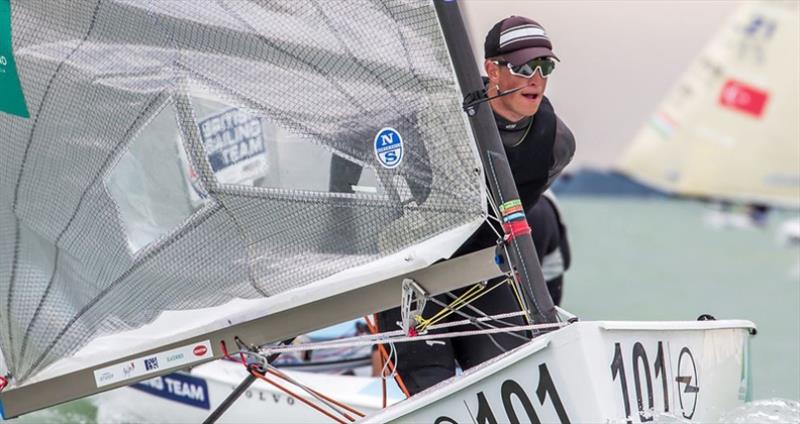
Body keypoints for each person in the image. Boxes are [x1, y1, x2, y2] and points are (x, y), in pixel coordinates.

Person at [374, 16, 575, 395]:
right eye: (522, 67)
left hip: (481, 275)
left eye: (545, 66)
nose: (536, 77)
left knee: (522, 381)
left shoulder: (557, 143)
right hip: (413, 281)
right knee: (431, 391)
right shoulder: (442, 114)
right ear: (491, 70)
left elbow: (513, 217)